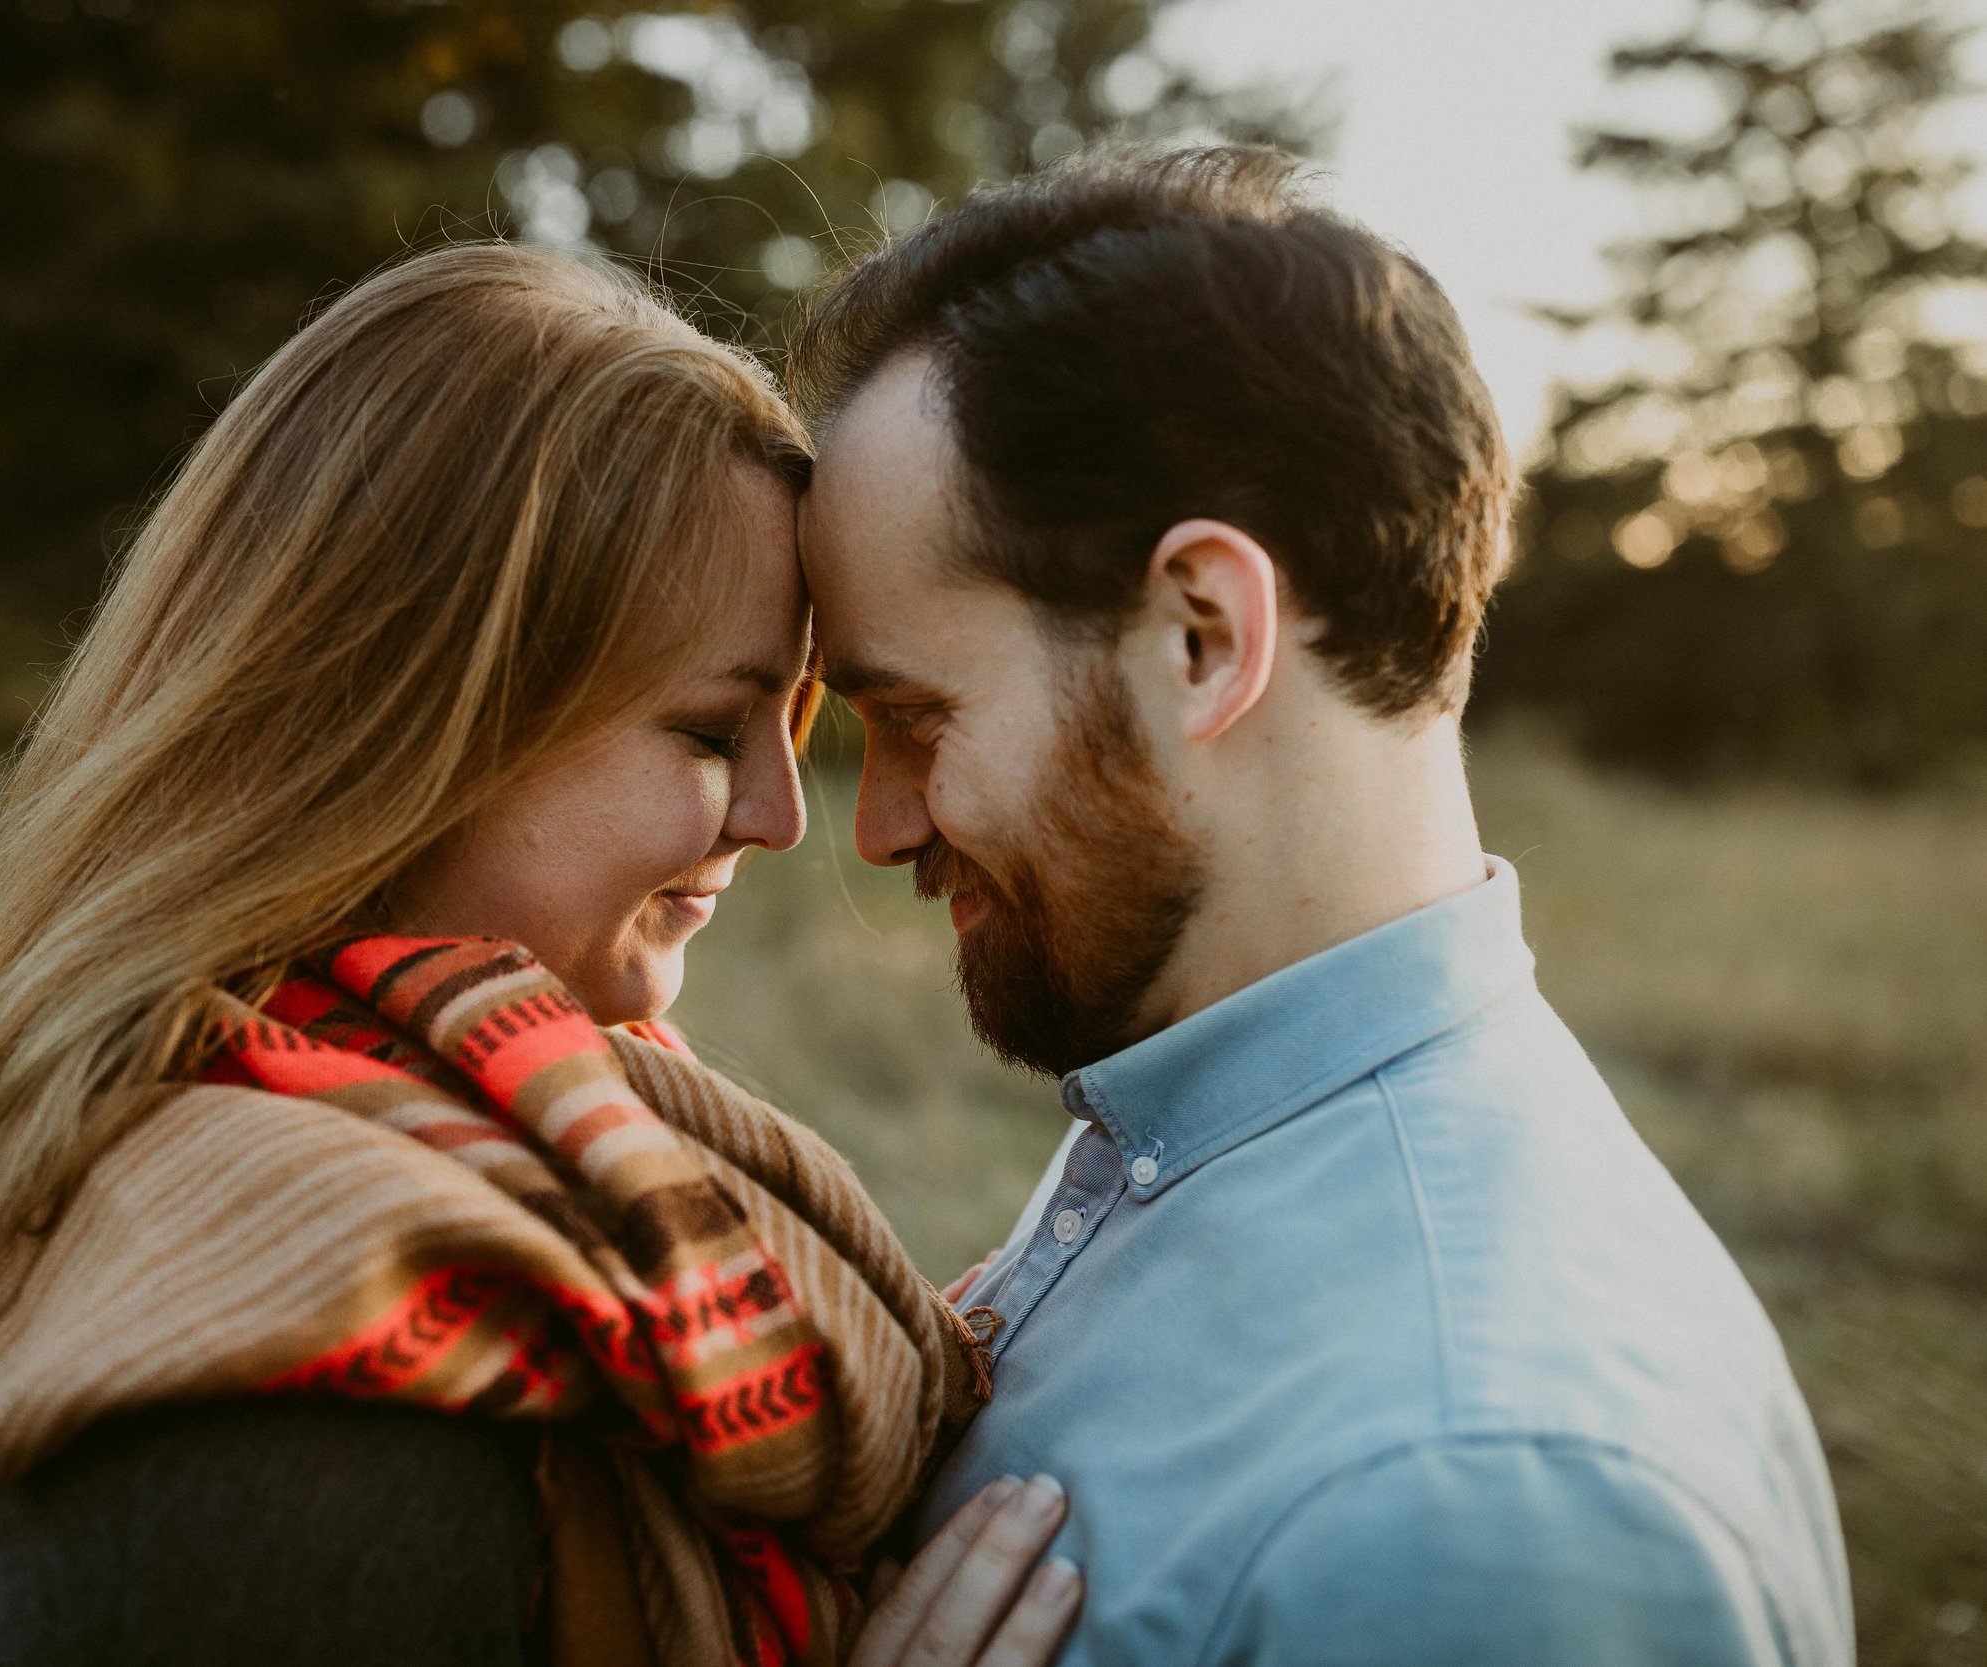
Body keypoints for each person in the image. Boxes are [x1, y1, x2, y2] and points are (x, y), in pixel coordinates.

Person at [0, 242, 1082, 1667]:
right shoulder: (283, 1422)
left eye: (795, 727)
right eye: (706, 729)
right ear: (406, 717)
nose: (781, 815)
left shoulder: (551, 1153)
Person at [789, 143, 1854, 1666]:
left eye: (915, 717)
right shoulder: (1193, 1121)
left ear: (1204, 637)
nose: (879, 823)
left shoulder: (1474, 1511)